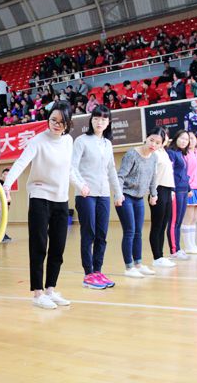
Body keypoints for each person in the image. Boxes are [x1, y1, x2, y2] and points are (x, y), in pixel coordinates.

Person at [2, 101, 73, 309]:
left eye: (61, 121)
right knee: (39, 245)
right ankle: (38, 293)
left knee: (58, 247)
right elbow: (21, 163)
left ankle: (50, 289)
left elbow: (70, 168)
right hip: (40, 195)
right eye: (53, 120)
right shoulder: (37, 141)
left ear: (68, 123)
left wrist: (82, 185)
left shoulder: (68, 141)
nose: (56, 124)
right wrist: (7, 184)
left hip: (61, 198)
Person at [70, 105, 123, 289]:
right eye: (96, 118)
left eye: (103, 119)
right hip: (86, 194)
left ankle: (98, 271)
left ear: (108, 122)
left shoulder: (107, 144)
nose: (99, 122)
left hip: (103, 194)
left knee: (102, 234)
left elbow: (111, 170)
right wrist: (81, 185)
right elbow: (72, 167)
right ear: (91, 120)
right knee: (89, 233)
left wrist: (118, 192)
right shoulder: (81, 141)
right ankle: (88, 274)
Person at [115, 127, 160, 278]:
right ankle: (129, 267)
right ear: (146, 138)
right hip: (126, 196)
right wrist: (118, 194)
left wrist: (154, 194)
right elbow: (121, 176)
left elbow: (153, 178)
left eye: (157, 143)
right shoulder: (132, 154)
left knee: (138, 232)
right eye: (151, 140)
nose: (153, 144)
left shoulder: (154, 157)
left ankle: (138, 264)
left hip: (139, 198)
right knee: (130, 231)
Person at [148, 129, 177, 268]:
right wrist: (153, 193)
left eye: (165, 136)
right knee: (157, 225)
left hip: (167, 189)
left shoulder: (164, 152)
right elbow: (152, 175)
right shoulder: (153, 153)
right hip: (158, 190)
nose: (164, 139)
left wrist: (171, 190)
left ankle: (161, 256)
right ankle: (157, 257)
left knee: (163, 225)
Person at [166, 130, 191, 261]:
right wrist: (172, 189)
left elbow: (184, 173)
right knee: (173, 222)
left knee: (179, 222)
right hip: (176, 191)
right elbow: (169, 172)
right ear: (176, 138)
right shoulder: (171, 153)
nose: (184, 141)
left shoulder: (181, 154)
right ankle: (174, 250)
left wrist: (189, 188)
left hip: (184, 190)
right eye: (182, 138)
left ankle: (178, 248)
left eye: (186, 139)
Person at [180, 132, 197, 255]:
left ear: (196, 140)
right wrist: (187, 187)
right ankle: (188, 246)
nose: (190, 140)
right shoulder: (183, 153)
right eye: (187, 138)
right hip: (189, 188)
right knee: (188, 218)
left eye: (192, 138)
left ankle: (193, 244)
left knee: (195, 218)